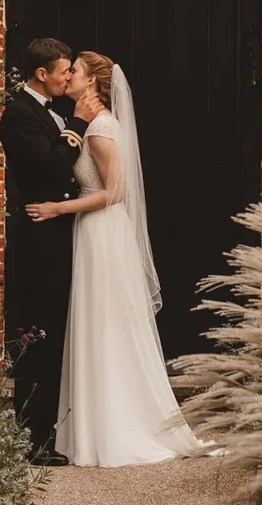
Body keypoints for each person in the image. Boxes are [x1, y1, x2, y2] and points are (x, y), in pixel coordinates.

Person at [25, 51, 214, 467]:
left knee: (106, 323)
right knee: (96, 323)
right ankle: (88, 428)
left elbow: (116, 192)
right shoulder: (86, 124)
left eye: (74, 70)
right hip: (91, 232)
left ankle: (113, 427)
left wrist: (58, 209)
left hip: (102, 232)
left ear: (91, 82)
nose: (68, 75)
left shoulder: (102, 127)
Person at [0, 38, 104, 466]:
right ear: (42, 74)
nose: (67, 77)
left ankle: (49, 430)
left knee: (55, 329)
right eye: (63, 71)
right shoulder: (19, 114)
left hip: (57, 230)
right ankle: (33, 439)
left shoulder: (50, 111)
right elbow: (50, 165)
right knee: (38, 331)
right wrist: (78, 123)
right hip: (38, 234)